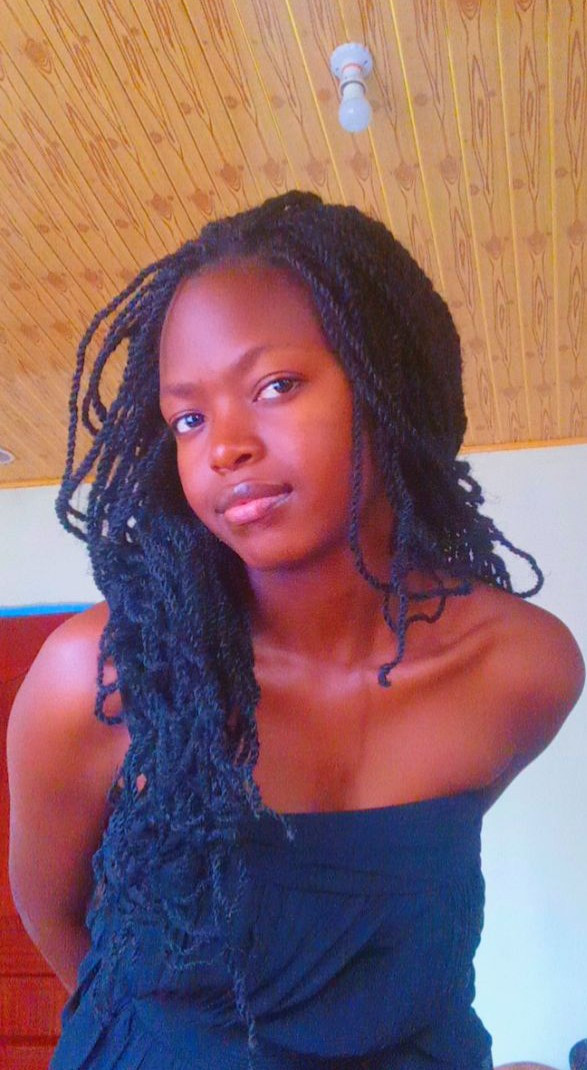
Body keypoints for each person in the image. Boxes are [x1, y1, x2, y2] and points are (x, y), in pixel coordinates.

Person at [7, 191, 584, 1070]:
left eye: (275, 385)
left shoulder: (523, 669)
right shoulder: (105, 677)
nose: (223, 447)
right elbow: (55, 918)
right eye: (188, 417)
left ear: (386, 382)